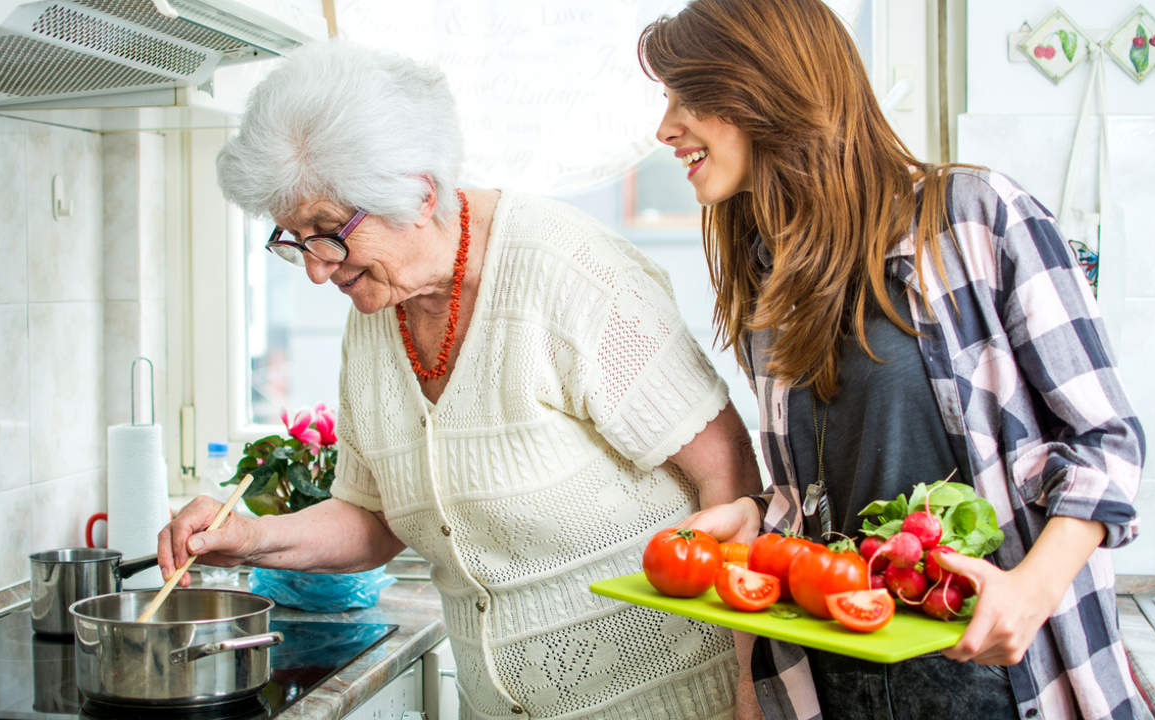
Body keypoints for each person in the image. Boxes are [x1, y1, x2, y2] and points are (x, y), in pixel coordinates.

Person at [158, 38, 762, 719]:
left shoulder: (568, 272)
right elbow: (375, 518)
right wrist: (249, 537)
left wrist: (747, 687)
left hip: (661, 702)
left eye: (328, 232)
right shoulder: (375, 315)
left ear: (418, 193)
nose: (317, 269)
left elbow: (729, 472)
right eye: (293, 239)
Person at [638, 1, 1145, 719]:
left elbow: (1107, 441)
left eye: (689, 96)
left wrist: (1028, 591)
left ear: (767, 88)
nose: (665, 128)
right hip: (836, 681)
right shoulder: (769, 271)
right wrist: (760, 516)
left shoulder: (975, 217)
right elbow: (833, 496)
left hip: (998, 676)